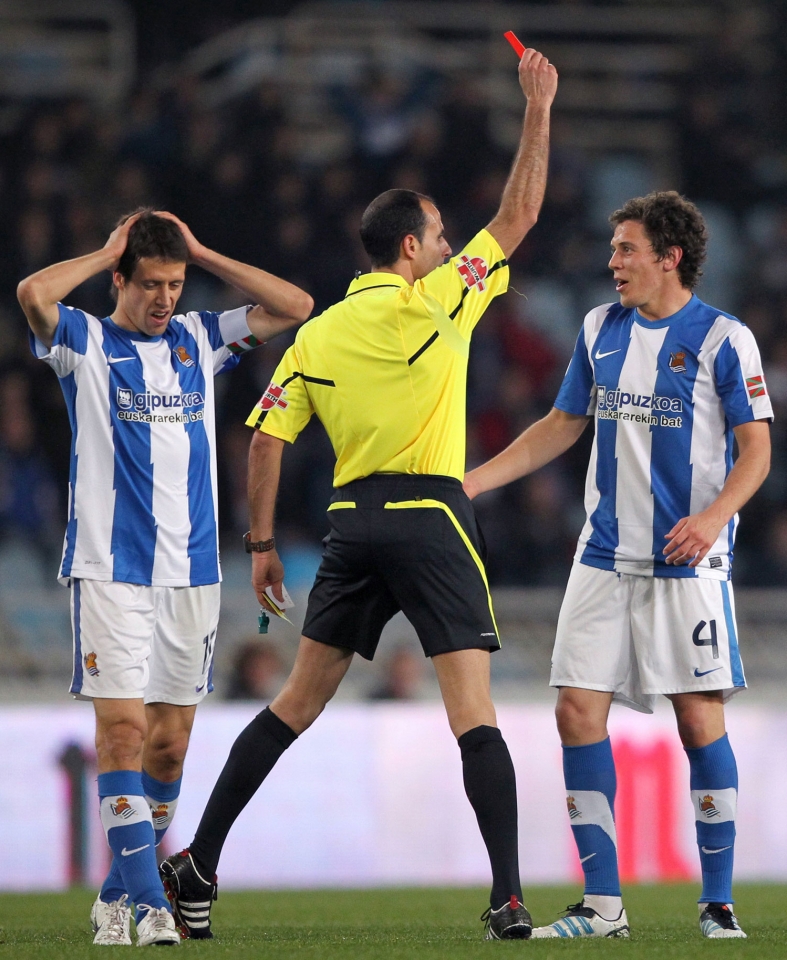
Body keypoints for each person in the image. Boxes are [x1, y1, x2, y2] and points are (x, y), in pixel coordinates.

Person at [160, 48, 558, 942]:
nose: (456, 246)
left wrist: (260, 544)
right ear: (412, 249)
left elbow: (262, 437)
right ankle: (506, 895)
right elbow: (522, 211)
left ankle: (199, 863)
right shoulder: (437, 302)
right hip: (427, 512)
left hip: (350, 525)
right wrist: (537, 106)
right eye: (444, 235)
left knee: (296, 703)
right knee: (472, 713)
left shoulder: (316, 334)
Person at [463, 191, 772, 939]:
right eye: (613, 250)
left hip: (685, 564)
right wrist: (470, 482)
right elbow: (561, 423)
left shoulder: (724, 340)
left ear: (669, 256)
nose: (612, 264)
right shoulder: (600, 328)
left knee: (698, 722)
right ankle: (602, 905)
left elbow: (756, 450)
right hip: (602, 556)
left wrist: (710, 518)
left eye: (626, 249)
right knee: (575, 710)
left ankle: (717, 901)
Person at [17, 210, 312, 946]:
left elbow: (297, 306)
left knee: (169, 747)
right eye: (150, 284)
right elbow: (31, 294)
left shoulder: (200, 338)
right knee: (121, 732)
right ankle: (150, 905)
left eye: (175, 285)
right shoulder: (83, 341)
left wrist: (204, 250)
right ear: (121, 278)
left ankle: (117, 890)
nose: (164, 299)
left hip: (193, 571)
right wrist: (103, 250)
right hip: (110, 569)